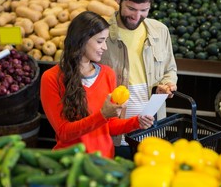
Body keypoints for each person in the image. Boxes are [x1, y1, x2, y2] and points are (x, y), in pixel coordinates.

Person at [40, 11, 154, 158]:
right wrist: (102, 115)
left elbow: (110, 126)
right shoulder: (51, 78)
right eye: (100, 41)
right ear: (81, 40)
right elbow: (64, 132)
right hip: (71, 164)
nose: (105, 47)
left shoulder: (108, 74)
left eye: (105, 41)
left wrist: (136, 122)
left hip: (104, 163)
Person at [99, 0, 178, 159]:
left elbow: (170, 69)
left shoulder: (160, 31)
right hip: (114, 135)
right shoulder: (100, 33)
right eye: (131, 8)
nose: (136, 16)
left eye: (144, 10)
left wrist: (167, 85)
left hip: (153, 131)